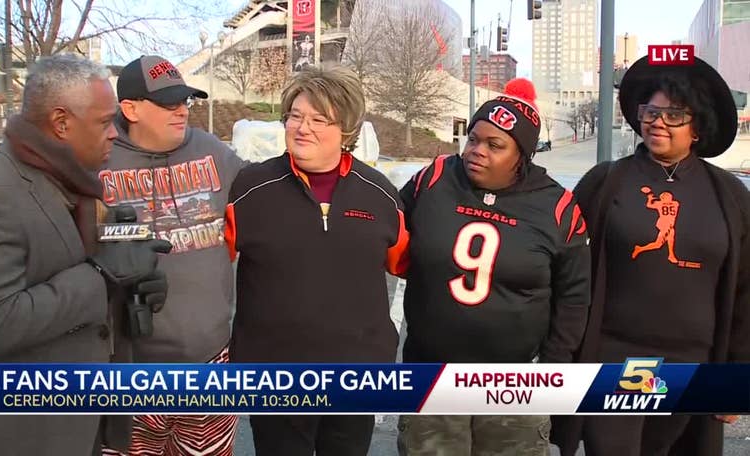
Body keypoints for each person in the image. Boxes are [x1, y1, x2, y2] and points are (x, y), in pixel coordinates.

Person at [0, 54, 171, 456]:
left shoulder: (78, 185)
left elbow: (78, 284)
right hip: (15, 435)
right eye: (103, 122)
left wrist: (135, 288)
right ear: (62, 123)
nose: (115, 134)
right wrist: (102, 276)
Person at [551, 56, 750, 456]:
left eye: (673, 115)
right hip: (614, 361)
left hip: (695, 366)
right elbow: (565, 269)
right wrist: (560, 355)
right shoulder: (606, 182)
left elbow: (747, 289)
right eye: (651, 111)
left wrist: (737, 374)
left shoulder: (730, 195)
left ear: (698, 127)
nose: (658, 122)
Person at [396, 78, 591, 456]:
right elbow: (386, 232)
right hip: (433, 372)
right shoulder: (434, 178)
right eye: (473, 139)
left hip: (514, 380)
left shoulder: (558, 208)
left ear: (522, 155)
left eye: (494, 145)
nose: (476, 151)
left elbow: (574, 297)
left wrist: (550, 369)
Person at [224, 65, 408, 456]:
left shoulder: (380, 195)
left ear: (346, 130)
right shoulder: (250, 189)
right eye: (295, 116)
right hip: (276, 377)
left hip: (356, 378)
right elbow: (210, 263)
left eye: (318, 119)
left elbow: (404, 263)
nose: (301, 127)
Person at [99, 55, 245, 456]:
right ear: (130, 109)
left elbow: (267, 198)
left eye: (185, 100)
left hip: (211, 364)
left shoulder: (212, 151)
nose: (181, 110)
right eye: (168, 103)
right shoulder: (97, 158)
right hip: (129, 370)